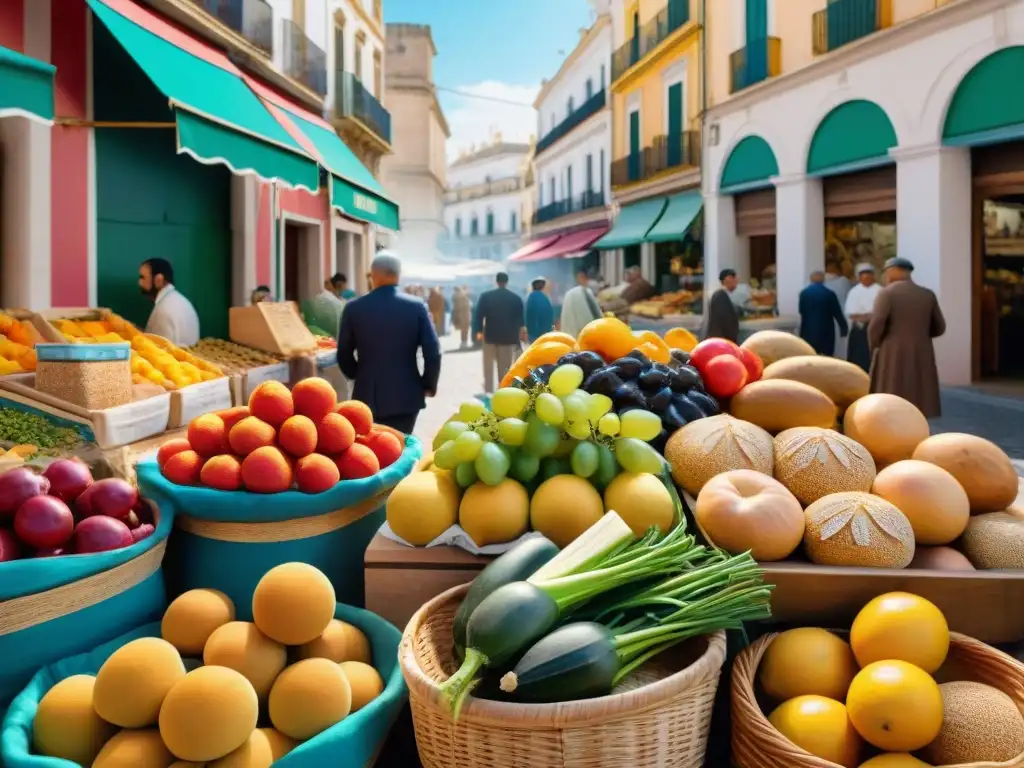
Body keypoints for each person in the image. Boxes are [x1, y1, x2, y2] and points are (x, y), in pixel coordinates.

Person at [336, 252, 441, 434]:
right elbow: (433, 351)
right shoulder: (417, 306)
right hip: (407, 395)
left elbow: (343, 352)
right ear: (398, 275)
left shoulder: (354, 307)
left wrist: (357, 374)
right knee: (402, 449)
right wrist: (428, 385)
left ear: (373, 275)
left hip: (367, 394)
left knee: (371, 452)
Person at [868, 256, 946, 417]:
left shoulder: (887, 293)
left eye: (887, 271)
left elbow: (877, 324)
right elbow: (940, 327)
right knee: (920, 389)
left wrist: (875, 345)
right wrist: (921, 336)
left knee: (892, 388)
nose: (886, 276)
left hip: (892, 351)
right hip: (922, 351)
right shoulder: (927, 294)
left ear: (895, 271)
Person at [473, 272, 525, 393]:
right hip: (508, 338)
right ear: (507, 282)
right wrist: (519, 339)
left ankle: (488, 391)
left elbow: (479, 316)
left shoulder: (485, 296)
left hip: (490, 336)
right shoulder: (516, 298)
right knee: (505, 369)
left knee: (488, 368)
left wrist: (479, 332)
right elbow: (520, 321)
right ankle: (503, 392)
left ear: (495, 281)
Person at [138, 258, 200, 346]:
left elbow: (159, 350)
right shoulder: (179, 301)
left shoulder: (164, 310)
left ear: (159, 280)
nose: (140, 283)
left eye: (142, 278)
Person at [798, 271, 848, 356]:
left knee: (809, 353)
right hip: (826, 329)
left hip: (808, 328)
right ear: (823, 280)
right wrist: (843, 328)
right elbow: (837, 312)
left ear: (811, 280)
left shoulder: (804, 293)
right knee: (826, 355)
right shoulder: (829, 293)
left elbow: (801, 310)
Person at [844, 263, 882, 372]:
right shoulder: (854, 291)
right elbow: (851, 313)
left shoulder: (880, 290)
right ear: (859, 277)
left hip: (875, 329)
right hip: (859, 330)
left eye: (868, 274)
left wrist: (870, 316)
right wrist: (865, 316)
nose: (866, 277)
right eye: (863, 275)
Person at [560, 268, 603, 338]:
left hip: (583, 335)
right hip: (580, 335)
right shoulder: (574, 293)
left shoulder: (587, 291)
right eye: (579, 277)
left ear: (585, 278)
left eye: (582, 277)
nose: (580, 279)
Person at [701, 269, 740, 342]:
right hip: (721, 340)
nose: (736, 281)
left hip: (722, 340)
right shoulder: (720, 296)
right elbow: (722, 321)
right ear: (726, 279)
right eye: (733, 277)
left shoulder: (724, 295)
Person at [824, 262, 853, 360]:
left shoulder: (821, 282)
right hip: (842, 312)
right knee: (842, 341)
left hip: (827, 316)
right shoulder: (843, 281)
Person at [525, 277, 555, 342]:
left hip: (534, 334)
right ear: (543, 286)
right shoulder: (545, 298)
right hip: (545, 334)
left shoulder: (531, 297)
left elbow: (528, 316)